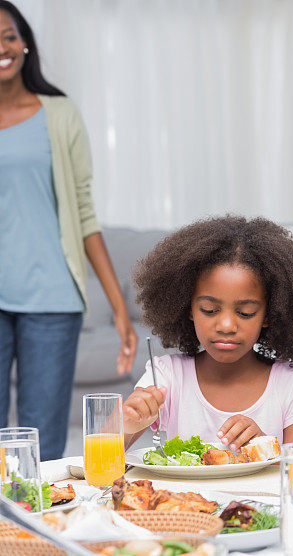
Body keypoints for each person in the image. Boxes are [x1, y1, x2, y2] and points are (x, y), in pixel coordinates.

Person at [0, 1, 137, 460]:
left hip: (52, 302)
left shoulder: (59, 114)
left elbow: (83, 214)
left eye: (9, 35)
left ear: (25, 43)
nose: (3, 48)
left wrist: (119, 308)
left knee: (43, 443)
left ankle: (41, 529)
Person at [122, 216, 293, 451]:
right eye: (210, 310)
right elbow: (96, 459)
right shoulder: (167, 377)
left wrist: (263, 448)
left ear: (269, 315)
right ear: (187, 308)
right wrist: (126, 424)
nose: (227, 325)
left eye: (245, 312)